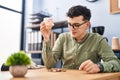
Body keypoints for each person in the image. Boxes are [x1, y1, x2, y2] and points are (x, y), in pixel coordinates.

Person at [40, 5, 120, 74]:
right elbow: (49, 65)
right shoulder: (62, 38)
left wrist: (99, 66)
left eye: (76, 25)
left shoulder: (98, 40)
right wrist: (46, 39)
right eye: (69, 24)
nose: (72, 29)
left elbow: (116, 63)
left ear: (87, 24)